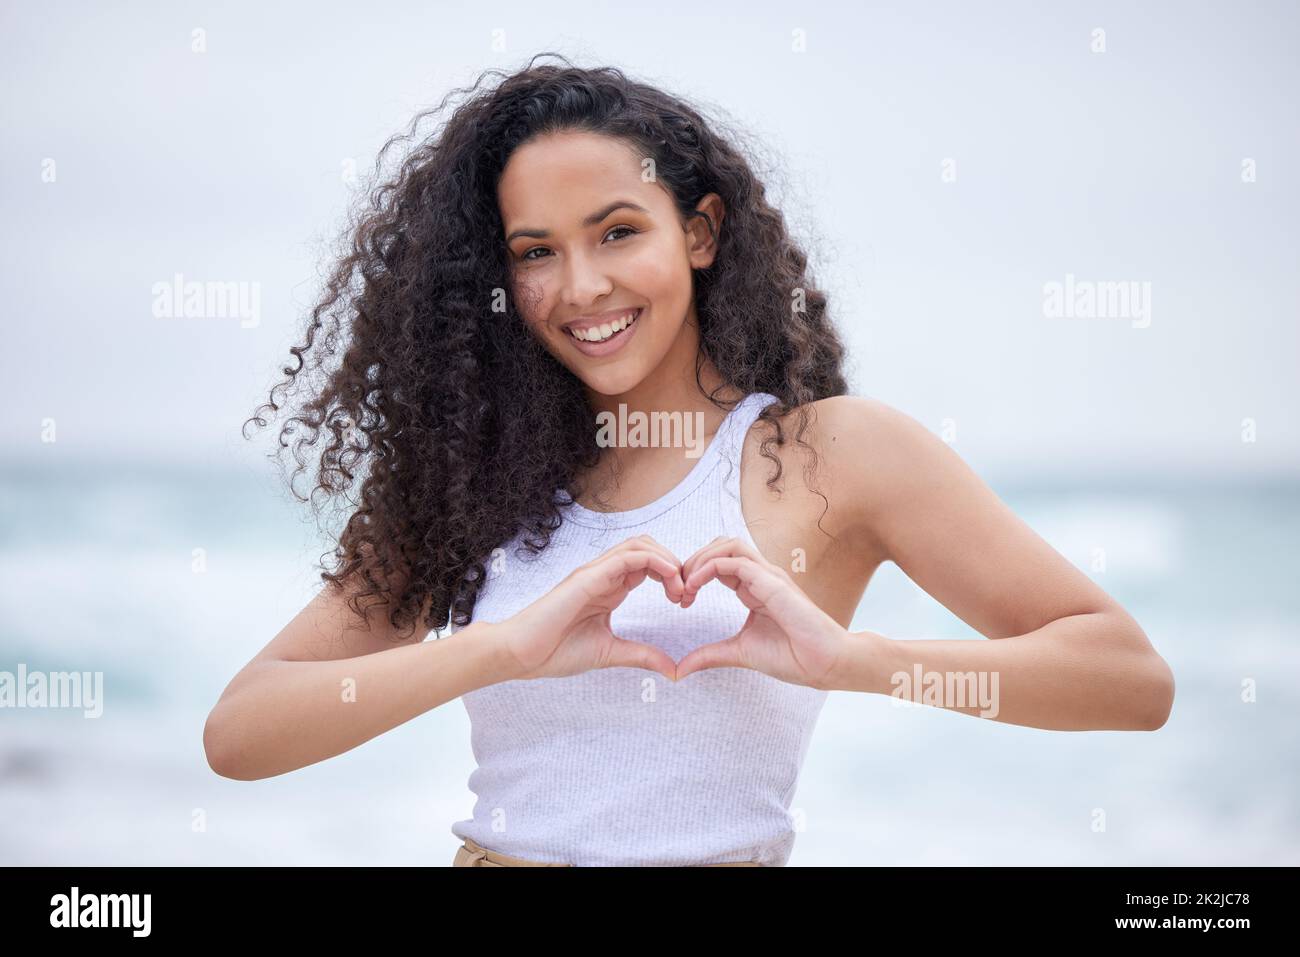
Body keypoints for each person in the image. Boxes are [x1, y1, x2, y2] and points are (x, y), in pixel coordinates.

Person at [203, 53, 1176, 867]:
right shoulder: (475, 476)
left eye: (618, 232)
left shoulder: (832, 456)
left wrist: (856, 662)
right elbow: (241, 734)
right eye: (534, 252)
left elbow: (1127, 679)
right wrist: (502, 647)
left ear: (700, 231)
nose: (579, 286)